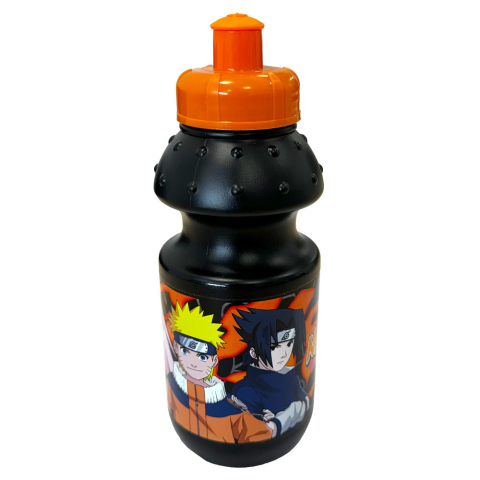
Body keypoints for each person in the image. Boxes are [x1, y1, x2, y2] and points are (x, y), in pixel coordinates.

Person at [166, 302, 276, 442]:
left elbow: (254, 432)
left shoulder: (228, 404)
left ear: (214, 361)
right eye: (185, 351)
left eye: (202, 357)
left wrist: (271, 426)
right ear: (176, 348)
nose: (193, 363)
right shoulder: (173, 385)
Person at [231, 308, 310, 435]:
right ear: (253, 353)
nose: (284, 353)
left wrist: (281, 418)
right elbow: (261, 431)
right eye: (274, 347)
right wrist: (294, 411)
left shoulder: (292, 379)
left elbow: (306, 403)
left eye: (289, 344)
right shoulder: (245, 391)